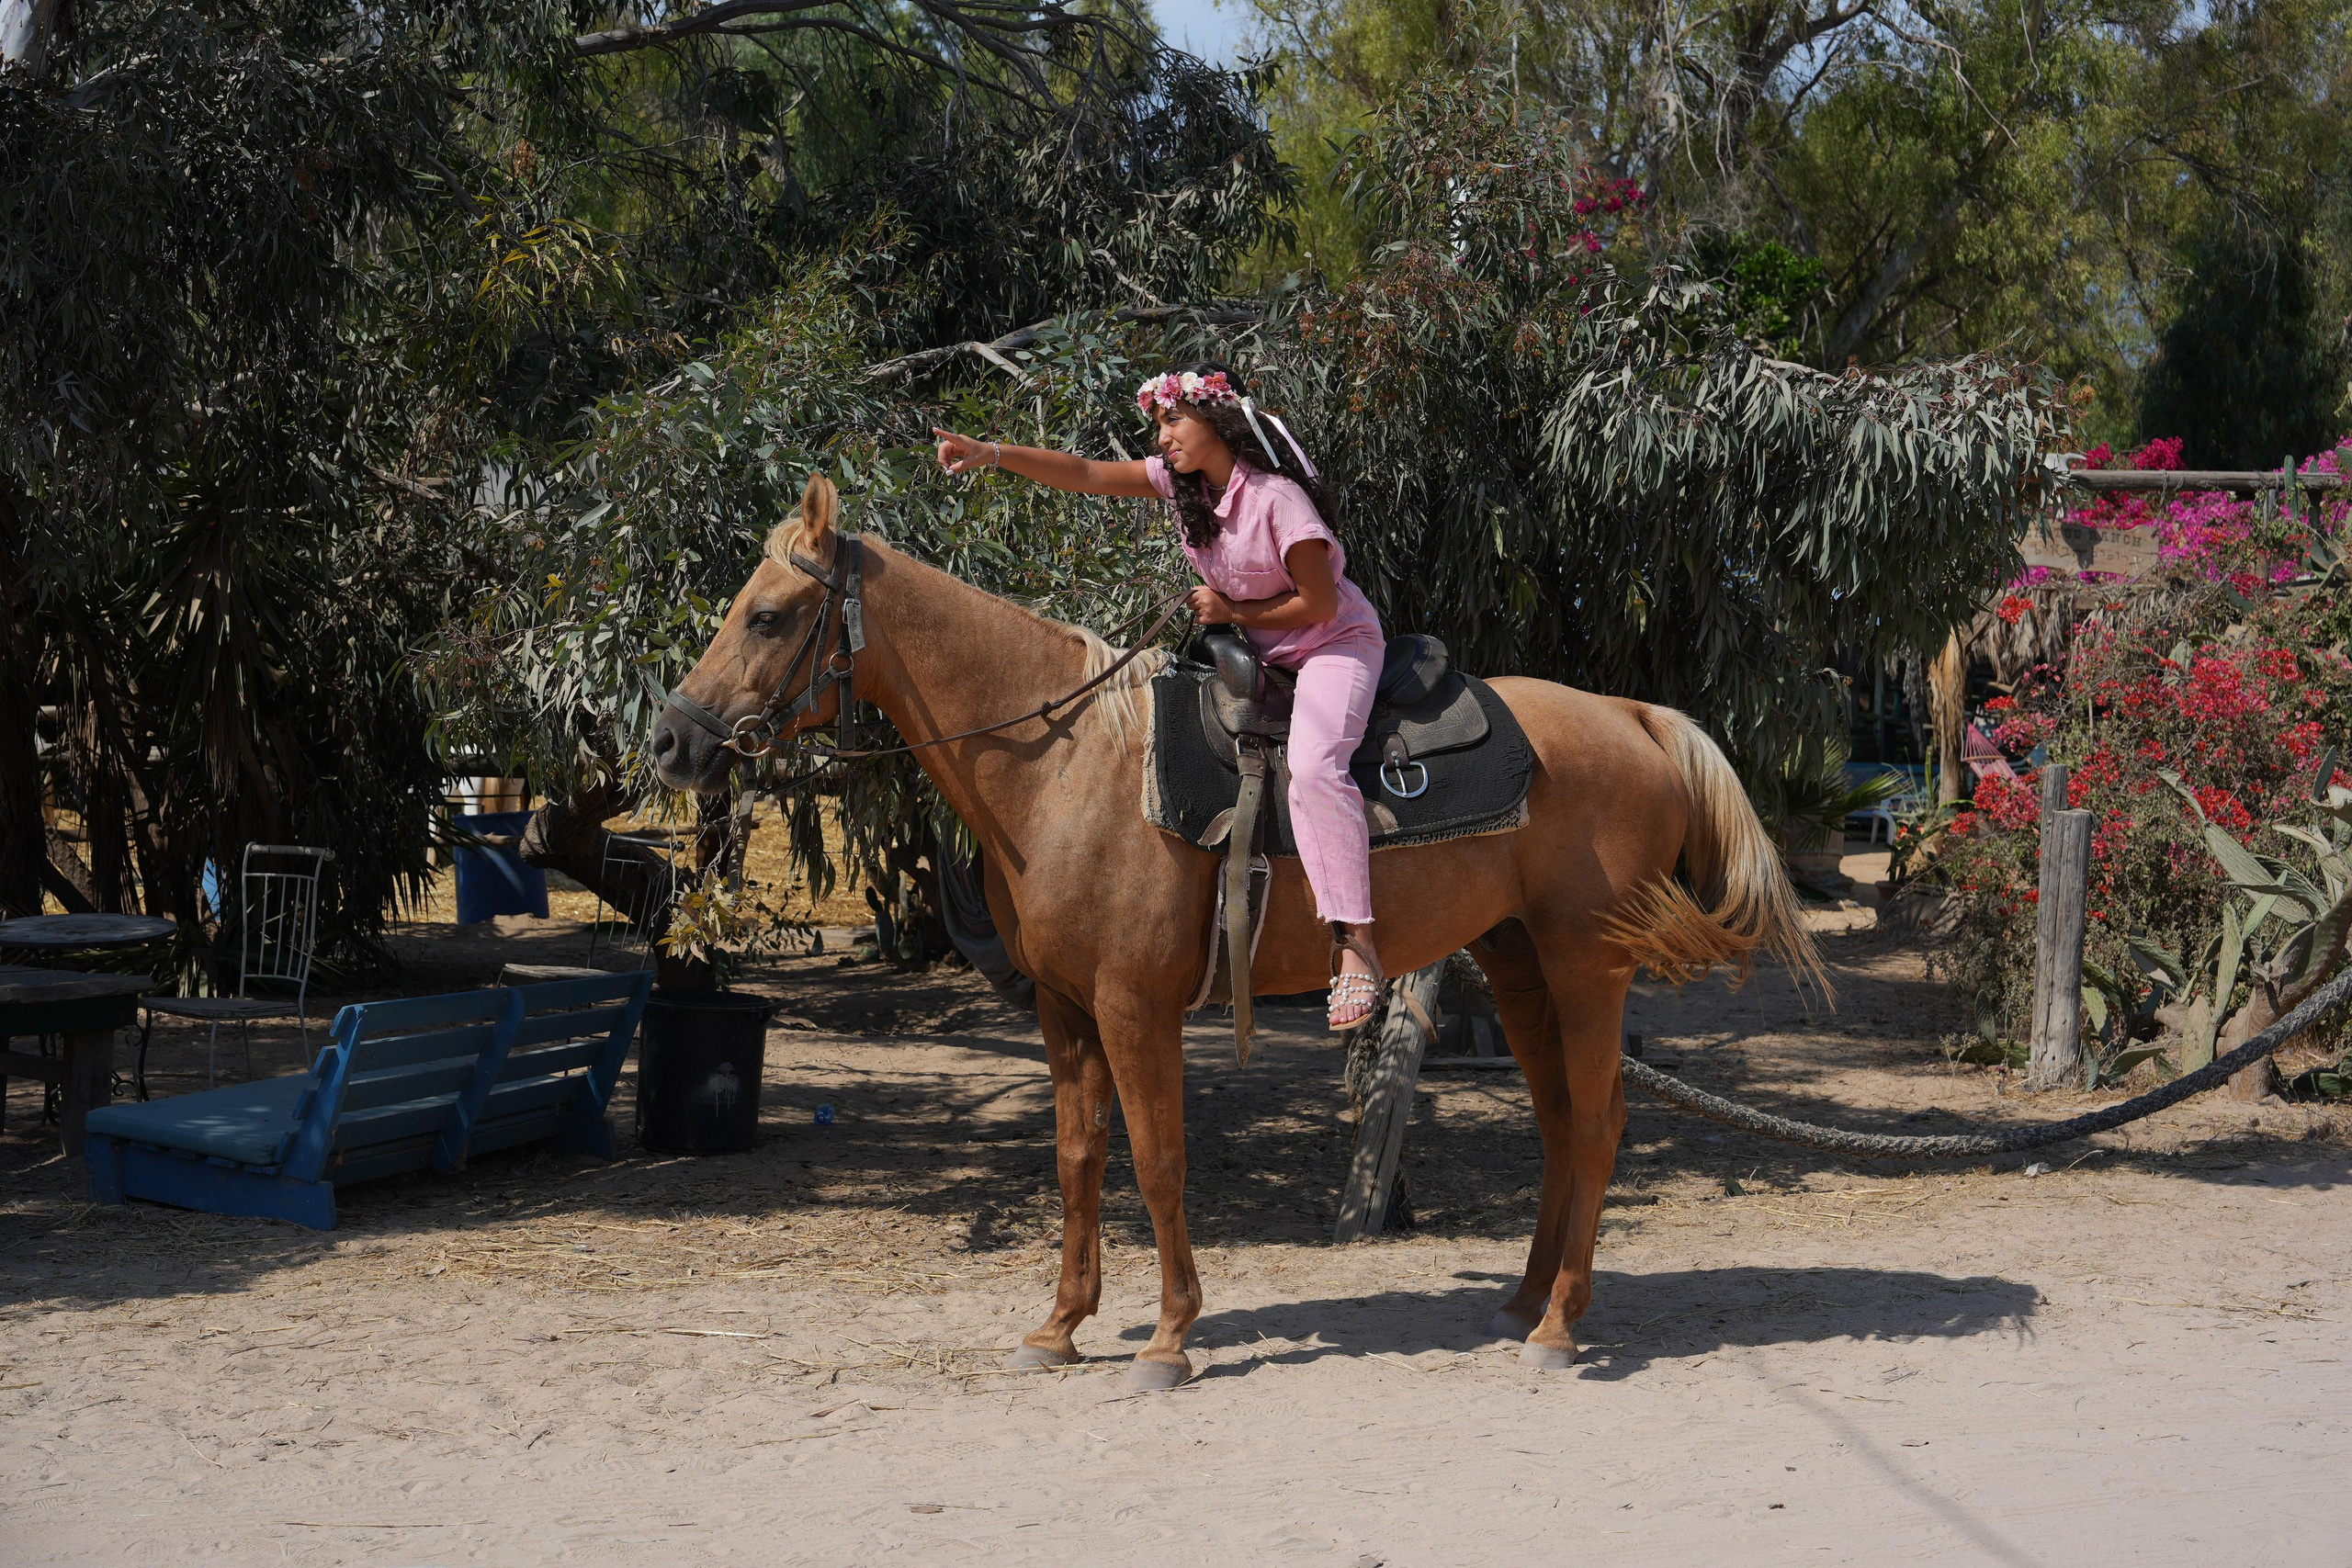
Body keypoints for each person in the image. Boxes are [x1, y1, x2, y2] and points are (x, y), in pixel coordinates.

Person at [933, 364, 1387, 1030]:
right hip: (1256, 652)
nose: (1163, 436)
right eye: (1158, 424)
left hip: (1332, 645)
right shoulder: (1182, 487)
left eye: (1173, 419)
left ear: (1218, 422)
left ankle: (1356, 944)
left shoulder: (1279, 499)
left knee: (1317, 767)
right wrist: (992, 454)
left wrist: (1230, 609)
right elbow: (1086, 473)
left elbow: (1319, 604)